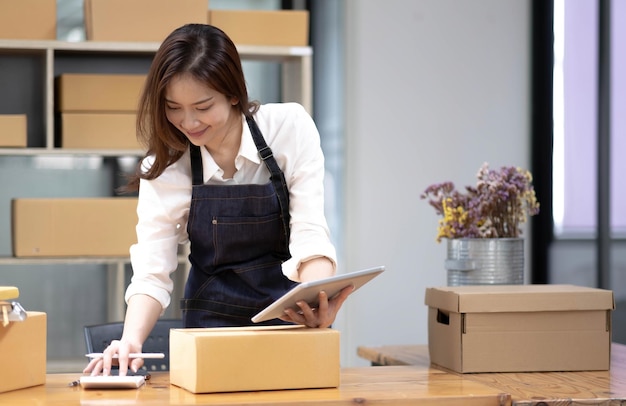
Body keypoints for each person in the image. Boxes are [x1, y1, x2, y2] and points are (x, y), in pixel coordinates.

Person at [84, 23, 352, 377]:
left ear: (234, 94)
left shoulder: (289, 128)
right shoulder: (165, 166)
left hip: (292, 321)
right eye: (173, 107)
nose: (188, 121)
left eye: (202, 106)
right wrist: (130, 340)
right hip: (210, 331)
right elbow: (152, 272)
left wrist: (318, 297)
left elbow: (310, 233)